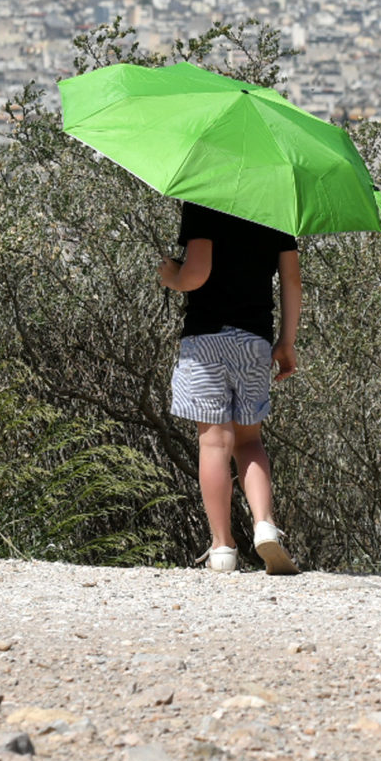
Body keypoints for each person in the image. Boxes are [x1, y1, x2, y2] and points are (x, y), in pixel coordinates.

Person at [157, 201, 302, 574]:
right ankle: (265, 524)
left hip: (205, 340)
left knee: (214, 442)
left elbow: (197, 275)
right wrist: (286, 342)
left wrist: (171, 276)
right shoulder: (274, 205)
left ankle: (222, 547)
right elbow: (292, 281)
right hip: (254, 341)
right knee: (249, 441)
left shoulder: (204, 198)